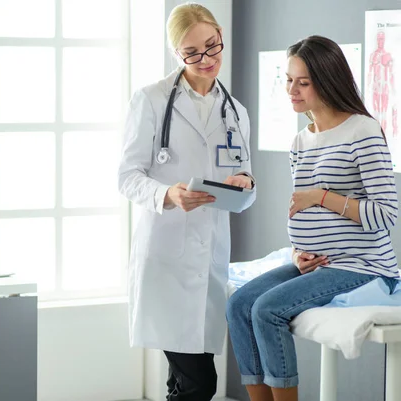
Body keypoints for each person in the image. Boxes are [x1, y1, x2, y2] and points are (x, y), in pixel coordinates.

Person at [226, 35, 400, 401]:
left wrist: (322, 197)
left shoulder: (363, 131)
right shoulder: (301, 141)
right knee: (239, 303)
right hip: (315, 263)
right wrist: (296, 255)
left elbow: (387, 214)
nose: (292, 89)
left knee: (268, 309)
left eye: (302, 82)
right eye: (288, 79)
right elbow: (303, 215)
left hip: (362, 264)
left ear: (329, 80)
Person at [118, 3, 256, 400]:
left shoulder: (236, 112)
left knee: (183, 382)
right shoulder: (149, 100)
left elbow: (246, 180)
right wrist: (168, 194)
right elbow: (127, 178)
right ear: (175, 53)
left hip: (209, 256)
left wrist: (243, 182)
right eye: (192, 53)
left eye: (213, 46)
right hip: (165, 257)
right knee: (200, 383)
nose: (206, 59)